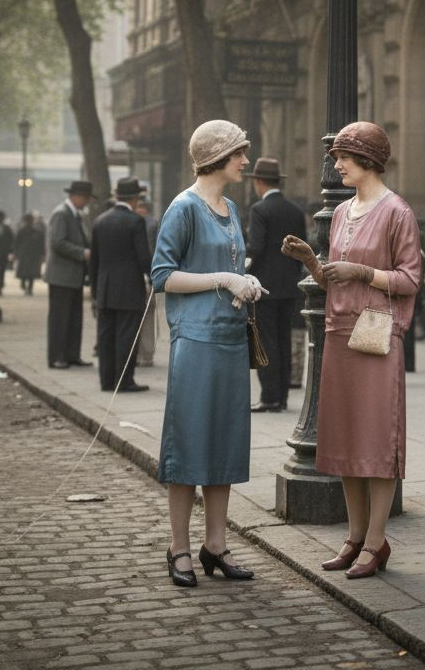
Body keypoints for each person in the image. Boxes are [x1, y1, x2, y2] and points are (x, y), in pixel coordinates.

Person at [280, 121, 421, 580]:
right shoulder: (341, 212)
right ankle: (355, 536)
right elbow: (333, 281)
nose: (336, 165)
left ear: (367, 159)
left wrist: (360, 271)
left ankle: (377, 541)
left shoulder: (397, 211)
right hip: (340, 334)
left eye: (342, 157)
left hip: (376, 338)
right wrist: (311, 261)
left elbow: (410, 279)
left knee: (377, 442)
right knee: (344, 440)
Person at [152, 119, 265, 587]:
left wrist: (245, 278)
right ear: (218, 157)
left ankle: (215, 545)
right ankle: (178, 547)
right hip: (196, 342)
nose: (245, 161)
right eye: (239, 153)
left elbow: (230, 262)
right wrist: (222, 278)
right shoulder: (183, 208)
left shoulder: (232, 207)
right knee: (189, 444)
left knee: (224, 443)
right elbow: (162, 276)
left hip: (231, 340)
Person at [244, 157, 308, 412]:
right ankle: (282, 396)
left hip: (265, 286)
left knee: (265, 341)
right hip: (289, 285)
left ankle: (269, 397)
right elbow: (302, 248)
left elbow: (256, 247)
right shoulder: (295, 211)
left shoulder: (259, 210)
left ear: (258, 182)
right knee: (283, 339)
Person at [90, 177, 153, 394]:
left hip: (105, 287)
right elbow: (143, 257)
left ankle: (106, 380)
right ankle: (124, 380)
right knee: (127, 335)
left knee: (106, 336)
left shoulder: (100, 221)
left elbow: (94, 261)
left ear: (117, 196)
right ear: (135, 199)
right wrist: (153, 277)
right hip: (129, 288)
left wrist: (95, 291)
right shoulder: (135, 221)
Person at [46, 181, 94, 369]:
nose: (87, 202)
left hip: (72, 276)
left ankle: (72, 355)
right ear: (77, 196)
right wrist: (83, 253)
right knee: (60, 319)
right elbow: (58, 243)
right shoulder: (62, 213)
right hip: (61, 276)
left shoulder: (75, 214)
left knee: (74, 318)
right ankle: (56, 356)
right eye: (86, 198)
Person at [135, 199, 160, 367]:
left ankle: (141, 354)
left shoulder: (145, 223)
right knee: (148, 315)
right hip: (148, 273)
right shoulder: (154, 223)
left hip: (141, 274)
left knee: (143, 314)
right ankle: (147, 354)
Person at [13, 213, 45, 296]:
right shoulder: (21, 231)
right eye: (27, 221)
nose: (28, 222)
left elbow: (41, 244)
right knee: (24, 272)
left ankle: (30, 288)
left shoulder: (37, 232)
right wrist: (16, 253)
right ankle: (23, 283)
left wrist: (42, 254)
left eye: (30, 221)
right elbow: (16, 243)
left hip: (33, 255)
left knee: (32, 273)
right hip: (24, 255)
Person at [0, 210, 14, 296]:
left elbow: (11, 240)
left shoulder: (7, 228)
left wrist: (11, 251)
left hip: (3, 253)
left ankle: (0, 287)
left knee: (1, 271)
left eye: (1, 217)